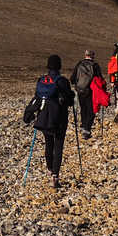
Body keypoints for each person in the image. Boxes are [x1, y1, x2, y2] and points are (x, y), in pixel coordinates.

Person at [32, 54, 75, 187]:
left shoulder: (42, 80)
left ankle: (50, 169)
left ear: (48, 66)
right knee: (59, 145)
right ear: (59, 66)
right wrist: (71, 95)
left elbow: (37, 97)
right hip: (60, 118)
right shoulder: (62, 81)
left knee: (48, 144)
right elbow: (69, 102)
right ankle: (55, 175)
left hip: (45, 117)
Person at [70, 50, 102, 139]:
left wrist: (76, 84)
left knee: (83, 108)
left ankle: (84, 126)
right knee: (91, 110)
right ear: (93, 56)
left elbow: (72, 78)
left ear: (85, 55)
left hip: (80, 90)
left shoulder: (79, 64)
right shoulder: (95, 65)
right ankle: (87, 129)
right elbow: (100, 79)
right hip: (91, 91)